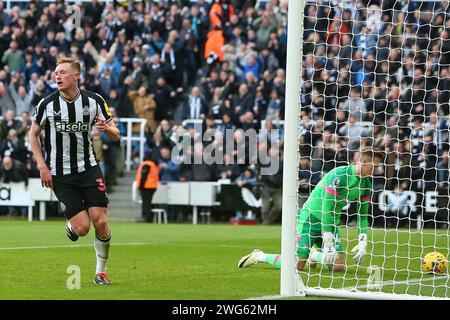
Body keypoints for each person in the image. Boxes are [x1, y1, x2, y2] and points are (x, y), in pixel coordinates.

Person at [28, 57, 121, 285]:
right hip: (61, 174)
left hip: (89, 168)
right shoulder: (47, 104)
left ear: (76, 75)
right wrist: (42, 166)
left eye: (62, 72)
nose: (57, 76)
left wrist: (108, 128)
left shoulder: (95, 101)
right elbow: (33, 135)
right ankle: (71, 223)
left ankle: (101, 272)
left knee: (100, 221)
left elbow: (116, 134)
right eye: (56, 73)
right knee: (82, 229)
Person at [238, 149, 384, 272]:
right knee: (297, 265)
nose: (377, 170)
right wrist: (327, 243)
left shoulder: (366, 184)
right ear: (364, 161)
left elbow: (363, 216)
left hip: (330, 221)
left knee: (338, 266)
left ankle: (314, 255)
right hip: (311, 217)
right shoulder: (339, 176)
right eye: (375, 166)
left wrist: (363, 240)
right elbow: (326, 209)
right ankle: (260, 256)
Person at [135, 151, 160, 222]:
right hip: (153, 186)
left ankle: (147, 218)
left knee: (146, 203)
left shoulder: (146, 164)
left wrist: (140, 187)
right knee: (149, 203)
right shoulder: (153, 164)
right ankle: (149, 218)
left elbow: (143, 177)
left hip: (146, 187)